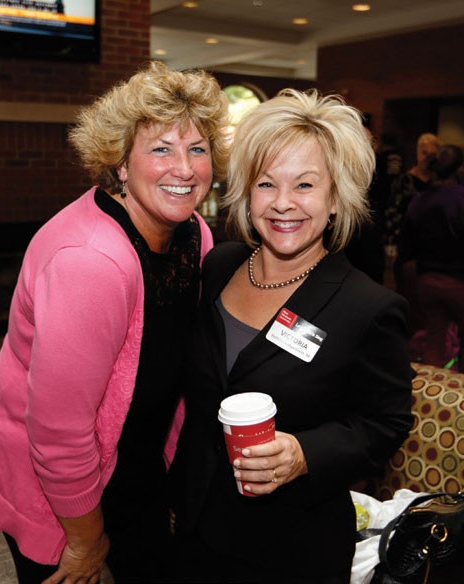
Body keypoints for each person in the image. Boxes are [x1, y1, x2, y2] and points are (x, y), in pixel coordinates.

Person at [0, 60, 229, 584]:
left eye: (197, 149)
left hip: (134, 458)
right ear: (120, 164)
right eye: (161, 149)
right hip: (53, 479)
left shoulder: (194, 232)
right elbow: (58, 433)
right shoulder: (89, 262)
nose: (184, 169)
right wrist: (86, 540)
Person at [169, 89, 414, 584]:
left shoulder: (367, 307)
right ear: (247, 193)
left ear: (335, 199)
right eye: (266, 184)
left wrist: (306, 453)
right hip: (196, 526)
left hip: (292, 546)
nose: (283, 204)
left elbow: (386, 422)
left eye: (305, 185)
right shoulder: (219, 266)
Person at [398, 144, 464, 378]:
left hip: (427, 281)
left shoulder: (419, 201)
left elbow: (405, 244)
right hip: (463, 284)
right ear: (460, 169)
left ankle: (435, 393)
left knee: (434, 341)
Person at [383, 132, 443, 332]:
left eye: (431, 155)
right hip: (407, 243)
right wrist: (390, 243)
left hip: (432, 247)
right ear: (418, 153)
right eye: (424, 153)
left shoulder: (439, 184)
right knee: (406, 290)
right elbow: (393, 211)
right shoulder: (405, 180)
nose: (427, 158)